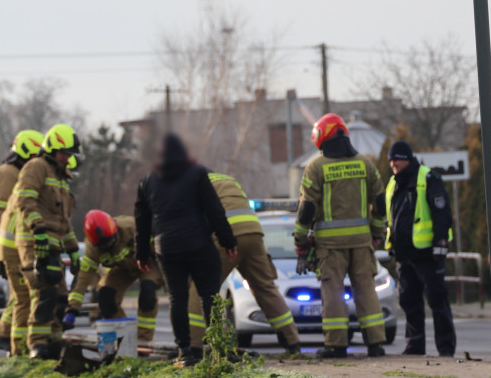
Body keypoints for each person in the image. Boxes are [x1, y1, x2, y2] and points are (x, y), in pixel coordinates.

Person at [134, 134, 237, 365]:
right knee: (209, 295)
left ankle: (185, 352)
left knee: (176, 299)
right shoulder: (197, 173)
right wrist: (228, 241)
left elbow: (141, 220)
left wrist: (141, 253)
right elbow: (214, 209)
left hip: (167, 249)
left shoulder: (147, 180)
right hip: (199, 243)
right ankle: (217, 349)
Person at [294, 113, 388, 359]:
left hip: (330, 246)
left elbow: (307, 210)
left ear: (322, 137)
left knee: (332, 292)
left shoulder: (316, 167)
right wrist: (377, 233)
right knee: (366, 290)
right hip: (361, 242)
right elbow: (379, 202)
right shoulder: (365, 164)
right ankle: (376, 343)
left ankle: (336, 346)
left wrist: (301, 243)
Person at [188, 171, 301, 354]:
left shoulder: (192, 183)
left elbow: (195, 219)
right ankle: (292, 341)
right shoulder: (230, 179)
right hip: (253, 232)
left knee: (199, 289)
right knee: (265, 288)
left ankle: (194, 347)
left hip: (226, 235)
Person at [15, 124, 82, 360]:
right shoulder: (36, 167)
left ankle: (54, 340)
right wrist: (38, 229)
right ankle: (37, 343)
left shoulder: (61, 178)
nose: (67, 158)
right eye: (64, 153)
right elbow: (25, 201)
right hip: (34, 242)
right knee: (46, 292)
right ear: (53, 149)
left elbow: (63, 221)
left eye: (70, 154)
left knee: (61, 296)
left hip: (53, 244)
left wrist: (73, 249)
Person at [384, 141, 456, 357]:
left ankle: (446, 349)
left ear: (408, 158)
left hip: (427, 254)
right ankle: (414, 347)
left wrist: (440, 245)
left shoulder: (427, 177)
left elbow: (442, 214)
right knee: (409, 302)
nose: (394, 163)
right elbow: (391, 219)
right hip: (404, 255)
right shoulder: (392, 183)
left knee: (437, 301)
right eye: (391, 160)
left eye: (398, 159)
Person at [63, 211, 164, 344]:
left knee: (148, 291)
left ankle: (142, 340)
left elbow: (159, 247)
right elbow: (82, 280)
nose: (108, 245)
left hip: (148, 261)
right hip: (124, 268)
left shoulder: (132, 227)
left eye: (111, 240)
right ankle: (124, 338)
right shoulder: (92, 250)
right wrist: (72, 309)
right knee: (106, 295)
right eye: (103, 244)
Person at [0, 129, 44, 354]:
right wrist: (0, 247)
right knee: (23, 296)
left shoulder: (18, 172)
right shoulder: (8, 173)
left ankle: (5, 336)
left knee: (19, 296)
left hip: (15, 243)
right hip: (11, 245)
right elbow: (0, 212)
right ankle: (12, 342)